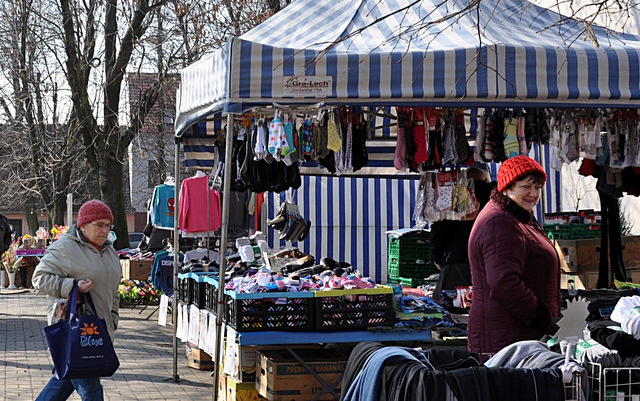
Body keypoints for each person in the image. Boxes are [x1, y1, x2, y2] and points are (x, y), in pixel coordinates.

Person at [467, 155, 560, 357]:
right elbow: (504, 283)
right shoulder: (500, 222)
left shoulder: (517, 215)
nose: (533, 194)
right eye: (526, 187)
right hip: (508, 339)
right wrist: (541, 317)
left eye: (538, 188)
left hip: (517, 335)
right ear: (507, 187)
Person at [32, 199, 121, 401]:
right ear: (83, 225)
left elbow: (113, 290)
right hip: (74, 333)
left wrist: (113, 319)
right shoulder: (66, 248)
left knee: (61, 384)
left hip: (98, 333)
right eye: (99, 225)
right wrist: (72, 286)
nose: (105, 231)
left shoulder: (109, 252)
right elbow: (38, 278)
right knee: (92, 392)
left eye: (108, 225)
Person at [429, 167, 495, 301]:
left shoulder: (454, 195)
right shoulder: (497, 197)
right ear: (486, 180)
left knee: (454, 309)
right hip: (489, 261)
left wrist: (437, 257)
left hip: (457, 260)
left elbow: (440, 228)